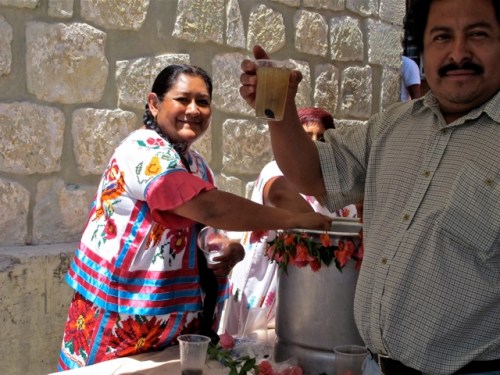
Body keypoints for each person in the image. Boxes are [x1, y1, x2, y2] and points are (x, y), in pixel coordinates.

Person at [239, 0, 500, 374]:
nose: (458, 52)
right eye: (442, 36)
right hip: (376, 365)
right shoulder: (391, 126)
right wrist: (279, 108)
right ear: (423, 51)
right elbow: (312, 174)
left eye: (478, 34)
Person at [57, 64, 331, 371]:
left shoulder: (196, 164)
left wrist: (228, 247)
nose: (194, 110)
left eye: (202, 101)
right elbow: (207, 207)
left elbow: (200, 230)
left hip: (175, 328)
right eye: (183, 99)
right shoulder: (141, 150)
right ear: (154, 103)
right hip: (119, 321)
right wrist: (293, 219)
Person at [222, 107, 359, 337]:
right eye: (306, 136)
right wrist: (328, 237)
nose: (315, 144)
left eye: (322, 138)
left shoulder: (339, 189)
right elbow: (281, 195)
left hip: (316, 295)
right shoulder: (276, 169)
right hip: (268, 289)